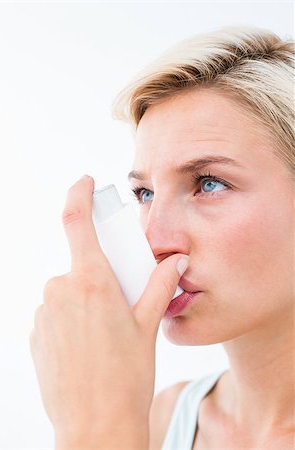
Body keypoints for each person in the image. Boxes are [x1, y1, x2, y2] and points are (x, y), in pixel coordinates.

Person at [30, 26, 294, 449]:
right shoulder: (158, 420)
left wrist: (96, 430)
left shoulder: (119, 422)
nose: (152, 241)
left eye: (209, 183)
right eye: (145, 194)